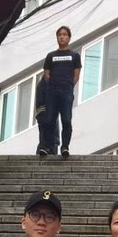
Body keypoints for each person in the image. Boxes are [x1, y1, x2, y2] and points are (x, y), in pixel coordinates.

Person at [41, 25, 81, 156]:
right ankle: (48, 147)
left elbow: (76, 75)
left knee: (66, 120)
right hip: (52, 92)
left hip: (66, 92)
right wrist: (52, 85)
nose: (61, 37)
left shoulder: (74, 56)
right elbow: (46, 74)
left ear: (69, 37)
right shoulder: (50, 56)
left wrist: (68, 86)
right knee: (49, 120)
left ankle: (65, 147)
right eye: (59, 35)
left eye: (64, 34)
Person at [34, 74, 58, 157]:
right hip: (46, 112)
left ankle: (47, 150)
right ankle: (48, 150)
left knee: (47, 137)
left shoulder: (43, 84)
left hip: (44, 112)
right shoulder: (45, 84)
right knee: (49, 137)